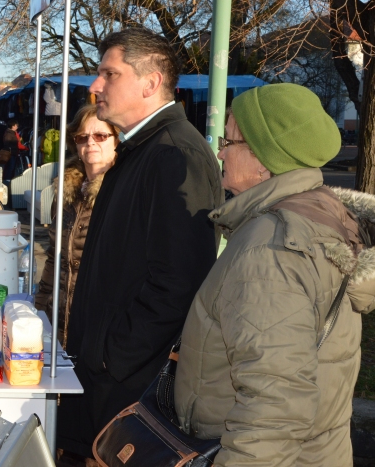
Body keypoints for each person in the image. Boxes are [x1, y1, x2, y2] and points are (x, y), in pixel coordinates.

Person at [174, 83, 375, 466]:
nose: (219, 151)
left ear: (263, 160)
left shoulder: (271, 248)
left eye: (227, 141)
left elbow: (274, 404)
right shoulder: (320, 216)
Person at [56, 28, 223, 465]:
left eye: (110, 74)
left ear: (150, 82)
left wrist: (109, 354)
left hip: (128, 394)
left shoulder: (174, 154)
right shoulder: (142, 149)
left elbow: (179, 281)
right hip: (106, 383)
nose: (95, 86)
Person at [35, 105, 118, 349]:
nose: (90, 142)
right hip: (59, 319)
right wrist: (39, 307)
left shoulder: (120, 192)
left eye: (101, 136)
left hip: (99, 327)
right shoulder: (65, 193)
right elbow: (54, 256)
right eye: (82, 137)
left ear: (116, 140)